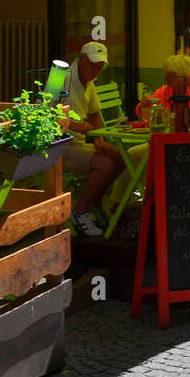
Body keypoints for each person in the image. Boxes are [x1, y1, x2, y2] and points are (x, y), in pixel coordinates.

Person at [65, 42, 126, 238]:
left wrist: (98, 138)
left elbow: (94, 113)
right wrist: (74, 126)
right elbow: (45, 114)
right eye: (93, 66)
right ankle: (80, 211)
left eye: (100, 67)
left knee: (120, 159)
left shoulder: (89, 83)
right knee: (106, 163)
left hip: (80, 142)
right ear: (81, 60)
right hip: (59, 147)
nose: (96, 71)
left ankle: (93, 202)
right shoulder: (62, 78)